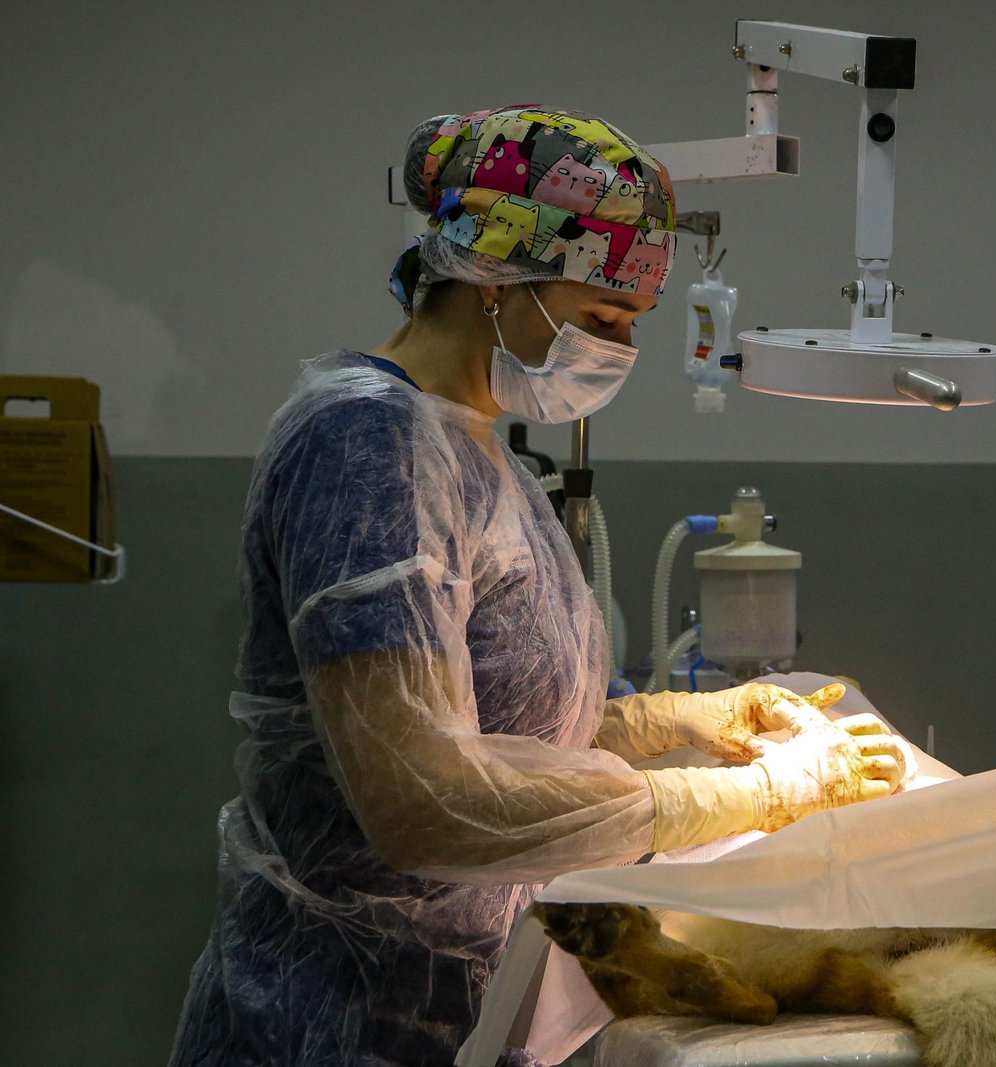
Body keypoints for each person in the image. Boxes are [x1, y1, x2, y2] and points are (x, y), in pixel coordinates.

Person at [168, 105, 907, 1067]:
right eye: (602, 319)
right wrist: (756, 792)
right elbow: (426, 799)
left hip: (463, 1008)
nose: (619, 352)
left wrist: (680, 720)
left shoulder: (484, 456)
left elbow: (510, 733)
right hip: (333, 1017)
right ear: (495, 276)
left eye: (632, 326)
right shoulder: (365, 447)